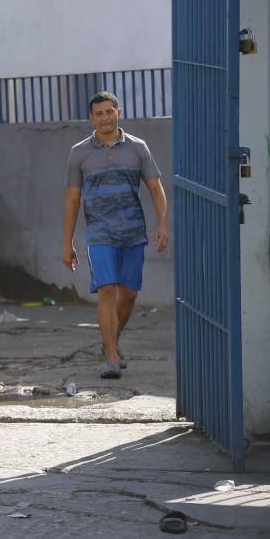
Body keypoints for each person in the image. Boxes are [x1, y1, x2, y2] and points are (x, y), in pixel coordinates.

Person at [62, 91, 168, 379]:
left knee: (130, 294)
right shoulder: (79, 152)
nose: (105, 118)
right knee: (106, 290)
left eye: (109, 112)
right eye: (99, 113)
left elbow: (156, 189)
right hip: (100, 234)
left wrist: (163, 224)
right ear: (91, 118)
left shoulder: (137, 147)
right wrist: (67, 243)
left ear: (118, 112)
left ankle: (112, 341)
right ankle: (111, 357)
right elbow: (73, 201)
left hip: (133, 232)